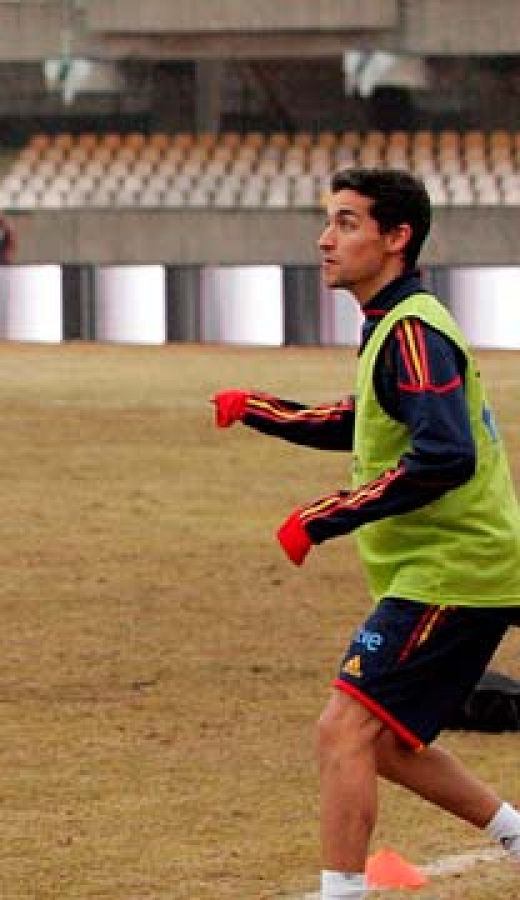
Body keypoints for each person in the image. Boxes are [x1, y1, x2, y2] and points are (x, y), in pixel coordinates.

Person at [211, 167, 520, 900]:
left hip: (454, 569)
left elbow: (444, 456)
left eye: (347, 222)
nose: (326, 240)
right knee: (385, 742)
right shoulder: (397, 326)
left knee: (343, 731)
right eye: (329, 221)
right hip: (457, 566)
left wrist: (323, 518)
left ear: (396, 237)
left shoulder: (413, 331)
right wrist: (258, 407)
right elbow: (361, 419)